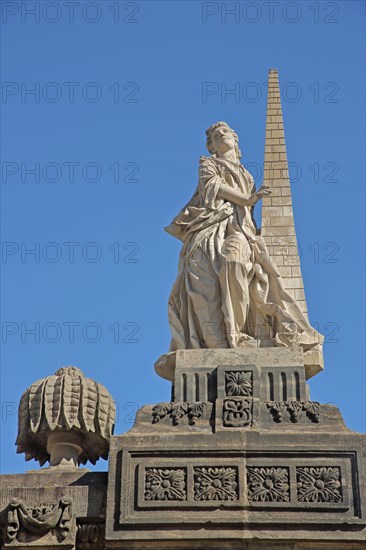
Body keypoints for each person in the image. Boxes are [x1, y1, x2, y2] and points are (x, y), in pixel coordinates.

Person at [165, 121, 323, 352]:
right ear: (211, 147)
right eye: (215, 137)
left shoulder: (247, 176)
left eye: (224, 133)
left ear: (235, 139)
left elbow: (247, 214)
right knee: (203, 288)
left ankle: (237, 333)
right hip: (208, 229)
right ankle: (220, 341)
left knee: (234, 263)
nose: (221, 137)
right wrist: (247, 199)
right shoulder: (207, 164)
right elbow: (214, 186)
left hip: (238, 231)